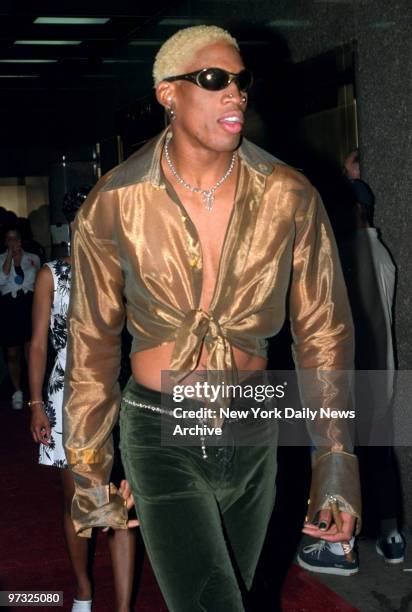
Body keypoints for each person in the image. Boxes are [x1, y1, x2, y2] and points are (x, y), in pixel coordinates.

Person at [64, 26, 361, 611]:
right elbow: (92, 342)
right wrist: (90, 466)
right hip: (159, 430)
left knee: (240, 596)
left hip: (253, 426)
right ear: (167, 94)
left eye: (241, 81)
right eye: (213, 79)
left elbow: (324, 332)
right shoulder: (116, 200)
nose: (235, 94)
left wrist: (335, 462)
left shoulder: (289, 195)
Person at [29, 189, 137, 612]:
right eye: (80, 220)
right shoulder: (52, 276)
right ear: (71, 227)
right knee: (78, 504)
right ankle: (83, 592)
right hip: (65, 397)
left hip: (119, 398)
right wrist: (36, 403)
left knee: (120, 502)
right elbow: (37, 344)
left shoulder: (123, 274)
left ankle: (124, 607)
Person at [0, 224, 40, 409]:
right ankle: (17, 391)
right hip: (9, 306)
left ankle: (35, 391)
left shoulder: (33, 258)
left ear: (21, 240)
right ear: (5, 242)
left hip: (28, 305)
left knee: (31, 350)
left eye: (16, 238)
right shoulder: (0, 259)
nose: (13, 242)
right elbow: (2, 279)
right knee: (12, 352)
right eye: (9, 239)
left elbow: (36, 282)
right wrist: (10, 257)